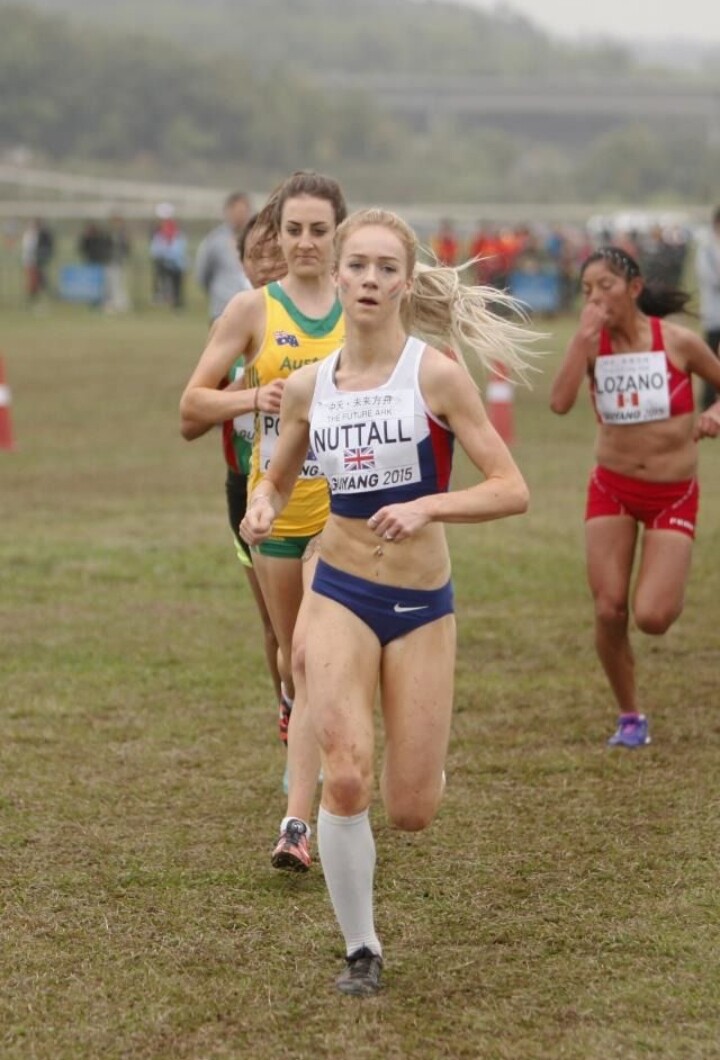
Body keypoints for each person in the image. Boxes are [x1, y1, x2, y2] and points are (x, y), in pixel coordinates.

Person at [240, 207, 537, 996]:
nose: (369, 280)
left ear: (406, 283)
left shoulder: (434, 374)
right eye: (358, 266)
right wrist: (263, 505)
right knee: (345, 776)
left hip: (419, 603)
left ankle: (424, 760)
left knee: (409, 808)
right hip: (338, 588)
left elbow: (512, 489)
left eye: (385, 268)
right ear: (337, 276)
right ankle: (361, 949)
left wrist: (428, 506)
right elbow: (277, 475)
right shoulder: (311, 385)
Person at [180, 171, 347, 872]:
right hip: (274, 507)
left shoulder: (362, 301)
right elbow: (191, 407)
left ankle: (300, 822)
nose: (305, 242)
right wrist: (255, 397)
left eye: (318, 230)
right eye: (294, 230)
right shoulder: (251, 310)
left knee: (313, 655)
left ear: (338, 234)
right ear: (277, 235)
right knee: (292, 657)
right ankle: (317, 751)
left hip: (347, 514)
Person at [550, 245, 720, 749]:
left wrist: (715, 412)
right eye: (587, 291)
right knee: (608, 609)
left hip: (673, 494)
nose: (596, 298)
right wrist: (579, 341)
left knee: (652, 617)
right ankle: (630, 716)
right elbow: (559, 403)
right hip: (613, 488)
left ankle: (665, 584)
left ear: (635, 288)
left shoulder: (678, 342)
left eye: (606, 286)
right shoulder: (592, 345)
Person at [180, 213, 287, 717]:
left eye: (275, 250)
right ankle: (289, 713)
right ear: (242, 263)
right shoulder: (232, 325)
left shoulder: (327, 319)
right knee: (276, 626)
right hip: (247, 488)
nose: (267, 262)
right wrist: (249, 392)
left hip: (316, 487)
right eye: (255, 253)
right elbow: (190, 422)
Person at [195, 191, 253, 323]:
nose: (240, 216)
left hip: (251, 311)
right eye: (237, 211)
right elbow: (203, 274)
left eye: (244, 211)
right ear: (228, 212)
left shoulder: (258, 240)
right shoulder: (214, 240)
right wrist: (217, 291)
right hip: (222, 310)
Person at [695, 206, 720, 410]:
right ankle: (708, 405)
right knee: (710, 361)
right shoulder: (707, 252)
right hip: (714, 316)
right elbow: (713, 280)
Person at [150, 216, 188, 308]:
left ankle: (177, 302)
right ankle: (164, 298)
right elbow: (155, 250)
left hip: (177, 265)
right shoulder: (159, 236)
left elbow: (181, 250)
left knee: (177, 284)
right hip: (164, 264)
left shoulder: (179, 236)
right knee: (164, 282)